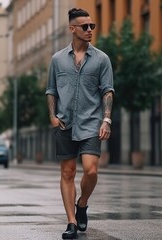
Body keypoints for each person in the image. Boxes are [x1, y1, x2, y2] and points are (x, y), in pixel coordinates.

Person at [46, 8, 114, 239]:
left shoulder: (102, 59)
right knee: (67, 172)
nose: (89, 30)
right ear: (72, 28)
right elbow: (51, 91)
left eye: (91, 26)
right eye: (85, 26)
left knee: (91, 170)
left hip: (91, 123)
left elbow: (107, 90)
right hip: (64, 123)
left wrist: (106, 119)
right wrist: (52, 117)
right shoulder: (57, 59)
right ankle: (71, 222)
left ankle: (82, 203)